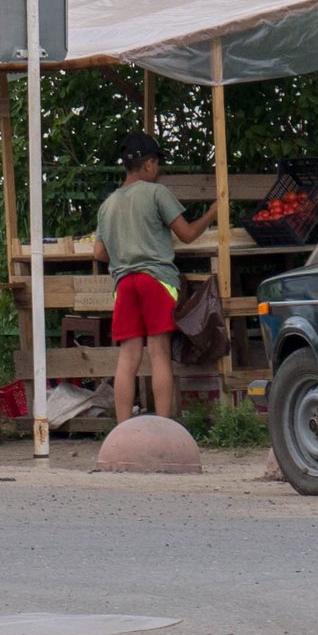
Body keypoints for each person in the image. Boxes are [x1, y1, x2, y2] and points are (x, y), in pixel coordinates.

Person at [91, 132, 218, 423]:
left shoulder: (107, 205)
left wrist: (125, 250)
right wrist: (212, 212)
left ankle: (123, 429)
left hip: (124, 284)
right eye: (157, 163)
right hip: (156, 280)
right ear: (148, 164)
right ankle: (163, 425)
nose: (157, 169)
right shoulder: (156, 192)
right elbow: (186, 235)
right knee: (159, 352)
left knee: (128, 358)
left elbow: (99, 253)